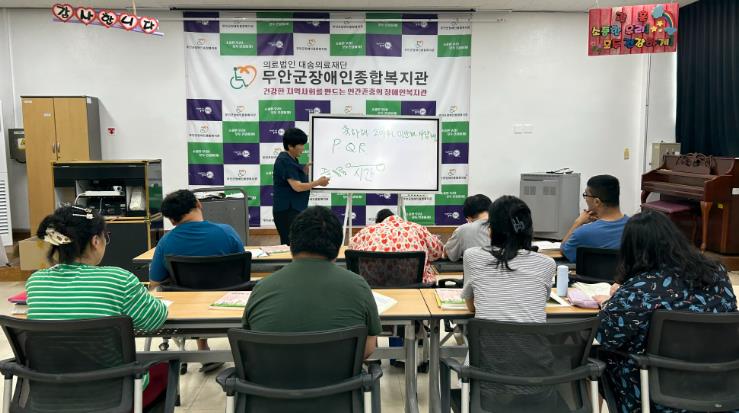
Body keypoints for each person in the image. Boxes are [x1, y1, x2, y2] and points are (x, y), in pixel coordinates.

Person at [594, 210, 737, 412]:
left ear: (631, 249)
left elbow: (604, 336)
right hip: (718, 388)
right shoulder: (717, 274)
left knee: (595, 354)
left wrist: (611, 302)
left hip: (655, 397)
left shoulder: (638, 290)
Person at [26, 205, 169, 407]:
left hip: (49, 395)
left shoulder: (36, 281)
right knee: (164, 369)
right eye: (105, 237)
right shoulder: (118, 279)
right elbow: (154, 321)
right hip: (113, 396)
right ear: (95, 240)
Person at [243, 206, 381, 359]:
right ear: (337, 247)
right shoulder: (358, 286)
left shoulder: (262, 288)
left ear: (291, 244)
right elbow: (368, 348)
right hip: (338, 374)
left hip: (271, 374)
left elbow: (248, 344)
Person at [149, 189, 243, 371]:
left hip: (186, 305)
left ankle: (198, 348)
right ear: (199, 204)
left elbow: (155, 283)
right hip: (226, 303)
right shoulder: (226, 232)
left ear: (172, 220)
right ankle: (205, 347)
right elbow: (241, 269)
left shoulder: (166, 242)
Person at [462, 195, 556, 322]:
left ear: (491, 231)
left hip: (488, 335)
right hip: (534, 335)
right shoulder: (548, 263)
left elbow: (471, 307)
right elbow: (539, 302)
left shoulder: (472, 256)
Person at [349, 208, 444, 285]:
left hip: (373, 288)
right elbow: (437, 252)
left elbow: (351, 251)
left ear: (378, 223)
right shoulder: (417, 228)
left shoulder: (366, 231)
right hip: (414, 288)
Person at [272, 128, 330, 245]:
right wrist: (317, 182)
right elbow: (297, 187)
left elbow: (293, 177)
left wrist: (303, 170)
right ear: (290, 146)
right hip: (287, 211)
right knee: (290, 244)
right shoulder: (285, 161)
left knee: (296, 243)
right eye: (301, 145)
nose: (303, 148)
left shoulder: (292, 159)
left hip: (293, 209)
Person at [560, 174, 629, 262]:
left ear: (597, 202)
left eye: (586, 195)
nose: (585, 199)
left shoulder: (583, 233)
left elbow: (564, 249)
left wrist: (578, 223)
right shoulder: (635, 227)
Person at [444, 194, 492, 262]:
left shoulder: (463, 230)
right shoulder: (504, 225)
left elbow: (448, 254)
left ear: (469, 217)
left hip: (475, 269)